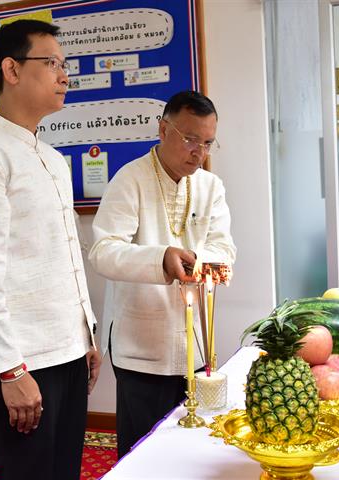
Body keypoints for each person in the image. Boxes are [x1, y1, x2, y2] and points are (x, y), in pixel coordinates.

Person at [0, 19, 101, 480]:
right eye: (51, 63)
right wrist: (10, 371)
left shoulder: (48, 156)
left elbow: (63, 253)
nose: (64, 75)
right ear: (11, 69)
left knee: (64, 470)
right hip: (21, 359)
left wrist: (84, 334)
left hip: (65, 349)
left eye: (64, 65)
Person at [89, 91, 237, 458]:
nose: (197, 153)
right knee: (144, 453)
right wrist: (161, 259)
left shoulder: (209, 186)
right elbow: (103, 252)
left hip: (196, 341)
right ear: (163, 129)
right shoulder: (131, 179)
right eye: (189, 139)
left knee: (194, 448)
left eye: (206, 143)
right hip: (142, 344)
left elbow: (225, 250)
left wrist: (196, 260)